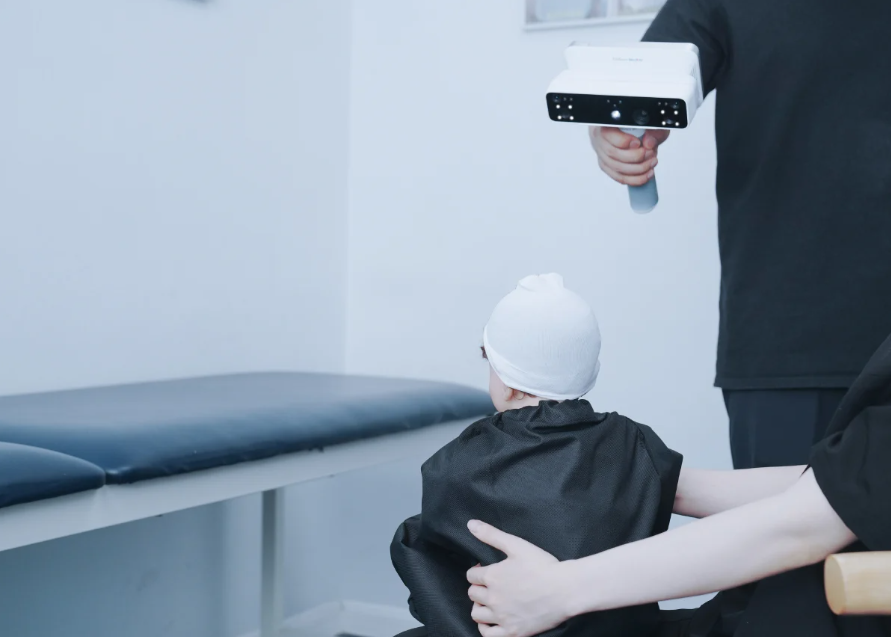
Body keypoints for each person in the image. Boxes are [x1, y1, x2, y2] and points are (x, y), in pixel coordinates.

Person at [590, 0, 891, 469]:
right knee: (783, 515)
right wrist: (613, 131)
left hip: (801, 331)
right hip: (786, 338)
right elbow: (637, 93)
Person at [464, 331, 891, 637]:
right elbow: (848, 485)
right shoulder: (618, 447)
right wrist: (653, 480)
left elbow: (807, 525)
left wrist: (558, 590)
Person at [390, 274, 688, 637]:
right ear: (590, 373)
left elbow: (436, 561)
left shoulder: (463, 461)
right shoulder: (636, 442)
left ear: (505, 381)